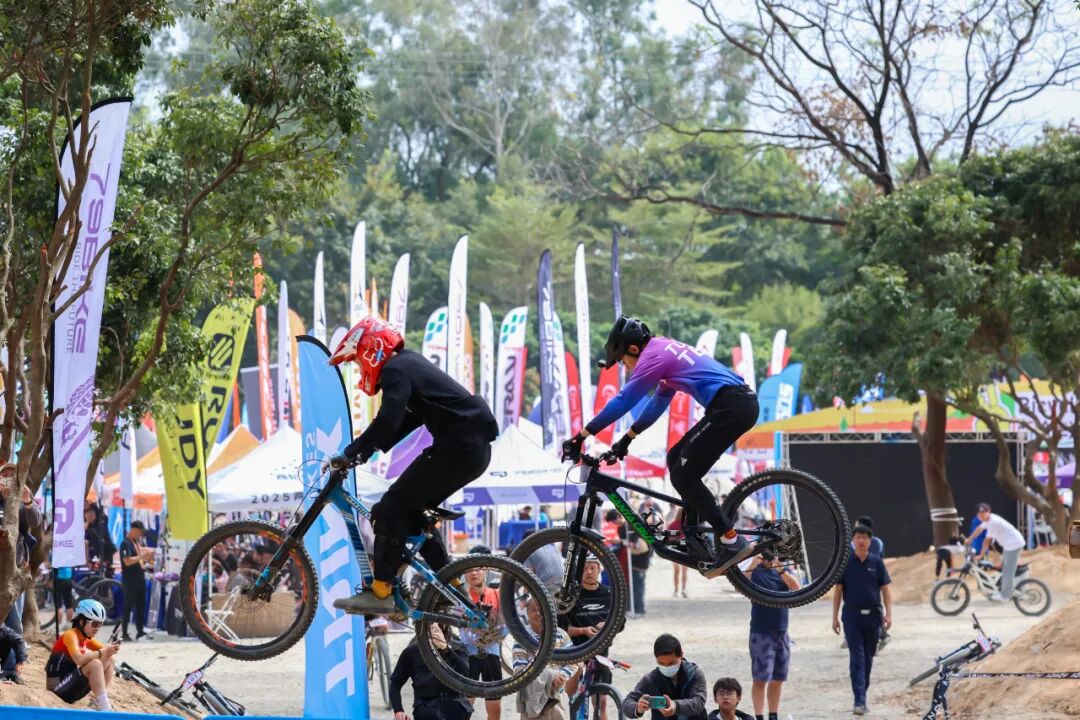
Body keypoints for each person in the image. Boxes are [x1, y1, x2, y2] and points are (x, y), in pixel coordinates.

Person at [326, 317, 499, 614]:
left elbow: (389, 418)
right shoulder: (409, 364)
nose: (359, 367)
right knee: (413, 513)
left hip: (459, 448)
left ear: (371, 349)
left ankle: (380, 591)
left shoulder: (395, 369)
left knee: (389, 508)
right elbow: (409, 419)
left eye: (357, 360)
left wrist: (352, 451)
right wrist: (365, 451)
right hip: (471, 449)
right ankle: (450, 586)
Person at [563, 317, 758, 575]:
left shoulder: (652, 357)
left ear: (633, 349)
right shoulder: (663, 349)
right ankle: (694, 535)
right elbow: (658, 403)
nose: (625, 366)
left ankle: (730, 539)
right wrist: (628, 437)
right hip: (735, 404)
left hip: (731, 406)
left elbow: (624, 400)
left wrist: (581, 436)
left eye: (622, 360)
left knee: (684, 476)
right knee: (675, 457)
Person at [831, 524, 892, 716]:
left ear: (870, 541)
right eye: (858, 537)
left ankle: (861, 695)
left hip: (873, 616)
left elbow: (885, 589)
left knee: (868, 658)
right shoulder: (845, 562)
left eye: (865, 537)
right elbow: (838, 590)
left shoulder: (877, 562)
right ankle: (859, 700)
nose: (861, 540)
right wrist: (834, 617)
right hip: (852, 616)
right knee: (857, 657)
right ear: (853, 540)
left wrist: (889, 614)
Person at [744, 552, 800, 720]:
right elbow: (740, 585)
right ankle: (759, 716)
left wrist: (781, 569)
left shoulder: (781, 570)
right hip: (761, 632)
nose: (769, 557)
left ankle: (773, 715)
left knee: (778, 678)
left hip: (782, 632)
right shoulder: (755, 571)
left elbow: (797, 588)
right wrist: (754, 562)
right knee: (760, 679)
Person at [0, 465, 41, 681]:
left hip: (15, 571)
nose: (7, 478)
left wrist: (26, 499)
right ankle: (8, 669)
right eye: (4, 474)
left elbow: (35, 521)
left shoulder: (21, 503)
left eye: (11, 475)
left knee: (14, 622)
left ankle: (11, 670)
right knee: (5, 621)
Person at [561, 556, 612, 720]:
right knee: (571, 699)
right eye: (584, 569)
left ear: (599, 569)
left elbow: (621, 622)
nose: (589, 572)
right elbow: (561, 628)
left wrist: (608, 625)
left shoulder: (608, 593)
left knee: (602, 703)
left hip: (601, 654)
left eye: (592, 568)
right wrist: (583, 631)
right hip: (576, 653)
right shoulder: (571, 597)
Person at [45, 599, 119, 711]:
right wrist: (103, 652)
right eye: (94, 624)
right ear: (81, 622)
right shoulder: (70, 635)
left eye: (100, 624)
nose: (97, 628)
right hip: (56, 689)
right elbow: (79, 660)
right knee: (95, 664)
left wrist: (112, 648)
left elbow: (105, 650)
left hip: (69, 686)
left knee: (110, 659)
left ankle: (99, 701)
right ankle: (104, 706)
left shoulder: (85, 638)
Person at [512, 599, 581, 720]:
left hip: (558, 696)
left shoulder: (561, 634)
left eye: (544, 609)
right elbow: (519, 669)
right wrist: (551, 676)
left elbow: (572, 661)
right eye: (534, 610)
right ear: (527, 613)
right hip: (533, 700)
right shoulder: (522, 638)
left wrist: (561, 676)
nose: (540, 613)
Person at [389, 628, 473, 720]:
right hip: (426, 711)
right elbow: (395, 684)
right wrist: (398, 710)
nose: (435, 627)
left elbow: (469, 675)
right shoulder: (412, 651)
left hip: (456, 709)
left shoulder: (458, 646)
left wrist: (446, 649)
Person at [622, 634, 708, 720]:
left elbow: (698, 702)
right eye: (661, 663)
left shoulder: (694, 674)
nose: (666, 667)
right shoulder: (651, 679)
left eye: (671, 663)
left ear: (681, 655)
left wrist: (675, 706)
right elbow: (627, 703)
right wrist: (638, 708)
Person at [461, 548, 502, 720]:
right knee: (463, 708)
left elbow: (507, 624)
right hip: (468, 655)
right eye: (469, 570)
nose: (473, 573)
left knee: (494, 710)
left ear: (485, 571)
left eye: (477, 569)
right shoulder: (460, 598)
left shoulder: (497, 595)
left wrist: (494, 636)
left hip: (492, 654)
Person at [966, 503, 1026, 602]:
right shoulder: (988, 520)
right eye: (979, 514)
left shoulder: (993, 522)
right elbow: (979, 529)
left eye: (983, 513)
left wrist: (981, 555)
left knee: (1007, 572)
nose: (981, 515)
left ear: (989, 512)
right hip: (1008, 546)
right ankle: (1004, 589)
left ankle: (1005, 596)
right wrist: (970, 539)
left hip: (1014, 545)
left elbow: (987, 541)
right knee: (1003, 569)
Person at [119, 520, 154, 641]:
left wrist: (147, 557)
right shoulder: (125, 543)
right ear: (134, 530)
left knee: (141, 606)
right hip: (130, 579)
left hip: (140, 578)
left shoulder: (136, 542)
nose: (141, 534)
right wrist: (141, 556)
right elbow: (127, 561)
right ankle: (124, 633)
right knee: (128, 606)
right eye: (140, 531)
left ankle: (140, 631)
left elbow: (139, 558)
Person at [668, 507, 689, 598]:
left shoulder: (672, 525)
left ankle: (676, 590)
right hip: (685, 549)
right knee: (684, 571)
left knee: (676, 571)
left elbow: (670, 539)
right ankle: (683, 589)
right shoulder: (687, 526)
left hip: (675, 549)